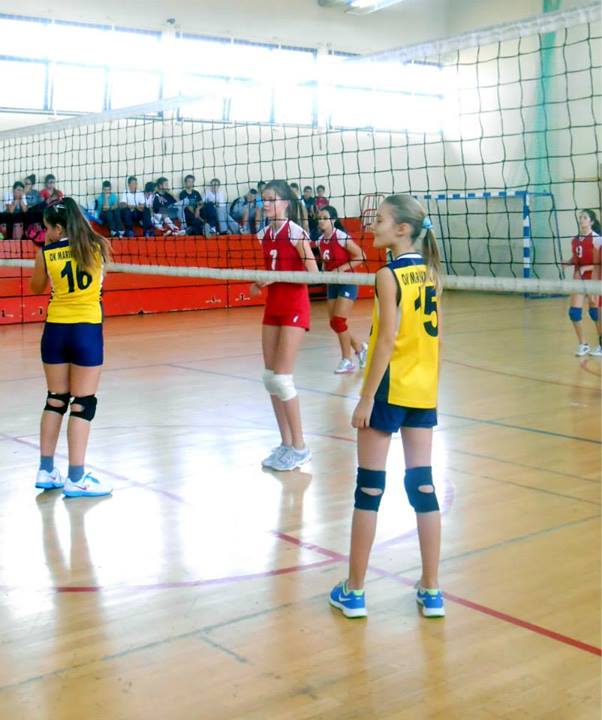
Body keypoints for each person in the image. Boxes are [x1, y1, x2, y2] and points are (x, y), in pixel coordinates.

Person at [329, 194, 445, 619]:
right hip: (422, 391)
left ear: (402, 229)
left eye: (379, 220)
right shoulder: (431, 273)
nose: (372, 226)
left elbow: (387, 340)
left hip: (388, 389)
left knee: (369, 488)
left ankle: (355, 591)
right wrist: (430, 388)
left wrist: (365, 397)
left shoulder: (387, 275)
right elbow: (436, 339)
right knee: (423, 486)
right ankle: (431, 591)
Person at [30, 198, 112, 497]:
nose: (46, 233)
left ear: (58, 227)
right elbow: (101, 280)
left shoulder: (46, 253)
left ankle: (46, 469)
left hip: (55, 331)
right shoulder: (98, 246)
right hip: (86, 331)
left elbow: (36, 288)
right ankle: (76, 477)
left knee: (55, 399)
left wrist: (46, 254)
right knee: (83, 403)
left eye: (47, 228)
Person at [251, 179, 318, 472]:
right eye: (263, 199)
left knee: (282, 379)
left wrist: (275, 277)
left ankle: (300, 447)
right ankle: (286, 444)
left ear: (285, 203)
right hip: (273, 307)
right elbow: (271, 271)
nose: (265, 204)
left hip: (294, 307)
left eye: (271, 199)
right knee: (270, 378)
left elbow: (314, 274)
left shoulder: (296, 233)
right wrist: (259, 283)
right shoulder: (263, 235)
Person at [317, 205, 368, 373]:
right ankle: (360, 348)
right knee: (335, 323)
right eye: (319, 218)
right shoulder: (320, 241)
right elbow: (326, 262)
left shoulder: (340, 236)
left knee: (338, 321)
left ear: (333, 220)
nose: (321, 221)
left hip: (347, 281)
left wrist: (341, 269)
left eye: (325, 218)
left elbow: (361, 256)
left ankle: (347, 360)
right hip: (332, 283)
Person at [563, 209, 602, 356]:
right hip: (579, 279)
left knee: (595, 312)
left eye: (584, 217)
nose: (581, 220)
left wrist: (587, 267)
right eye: (580, 217)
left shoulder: (597, 239)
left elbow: (599, 263)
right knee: (574, 312)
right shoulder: (575, 239)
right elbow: (577, 257)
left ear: (591, 221)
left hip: (594, 279)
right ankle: (583, 344)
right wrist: (568, 262)